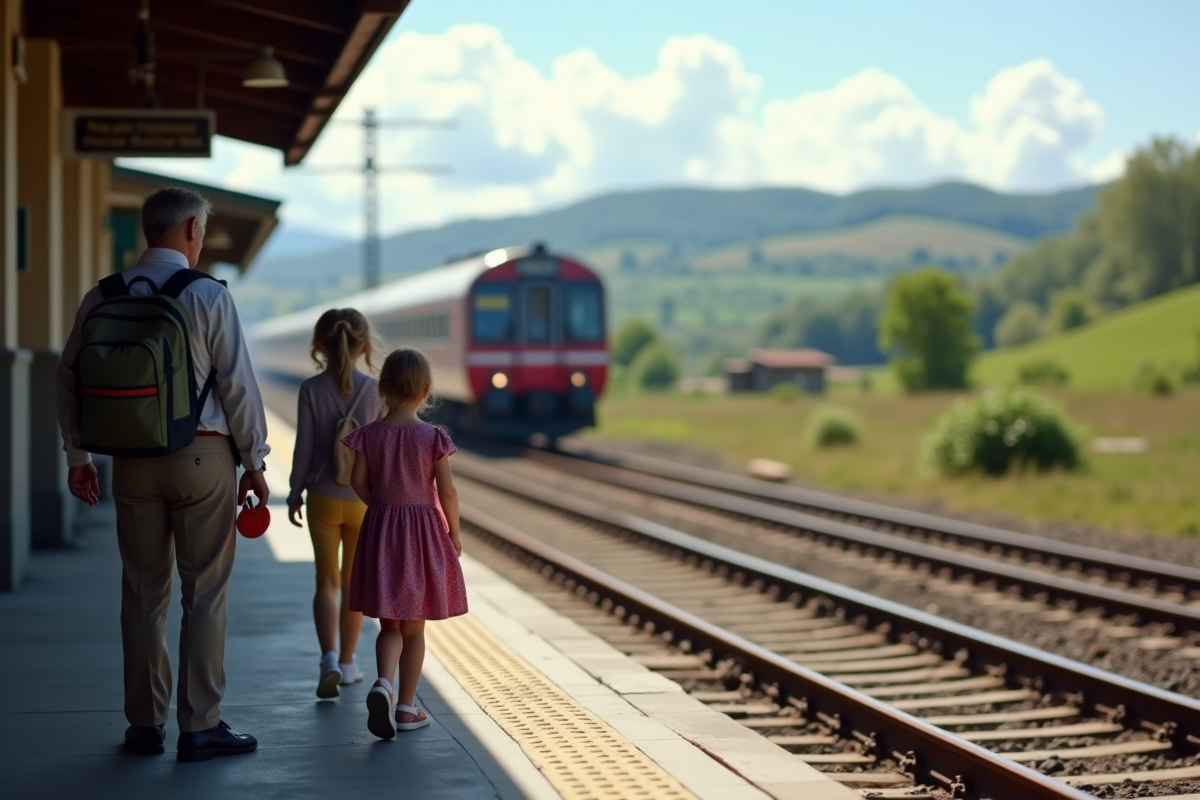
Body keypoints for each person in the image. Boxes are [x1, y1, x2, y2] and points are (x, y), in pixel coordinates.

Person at [55, 187, 269, 761]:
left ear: (146, 229)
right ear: (193, 232)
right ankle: (200, 726)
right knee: (205, 596)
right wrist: (255, 463)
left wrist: (79, 458)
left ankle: (144, 726)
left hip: (130, 464)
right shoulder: (208, 296)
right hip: (204, 460)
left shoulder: (101, 295)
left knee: (144, 595)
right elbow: (239, 386)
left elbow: (67, 377)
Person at [342, 348, 467, 740]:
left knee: (389, 626)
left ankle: (382, 682)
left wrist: (380, 506)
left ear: (382, 388)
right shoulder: (433, 438)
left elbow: (357, 481)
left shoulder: (370, 435)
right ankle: (407, 708)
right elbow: (447, 492)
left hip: (381, 531)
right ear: (426, 392)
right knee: (415, 629)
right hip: (421, 535)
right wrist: (453, 531)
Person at [287, 309, 379, 698]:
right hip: (362, 501)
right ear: (364, 346)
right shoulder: (375, 390)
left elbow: (303, 449)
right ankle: (348, 663)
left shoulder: (311, 390)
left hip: (323, 498)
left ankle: (327, 658)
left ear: (318, 345)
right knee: (353, 584)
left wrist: (294, 492)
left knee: (326, 582)